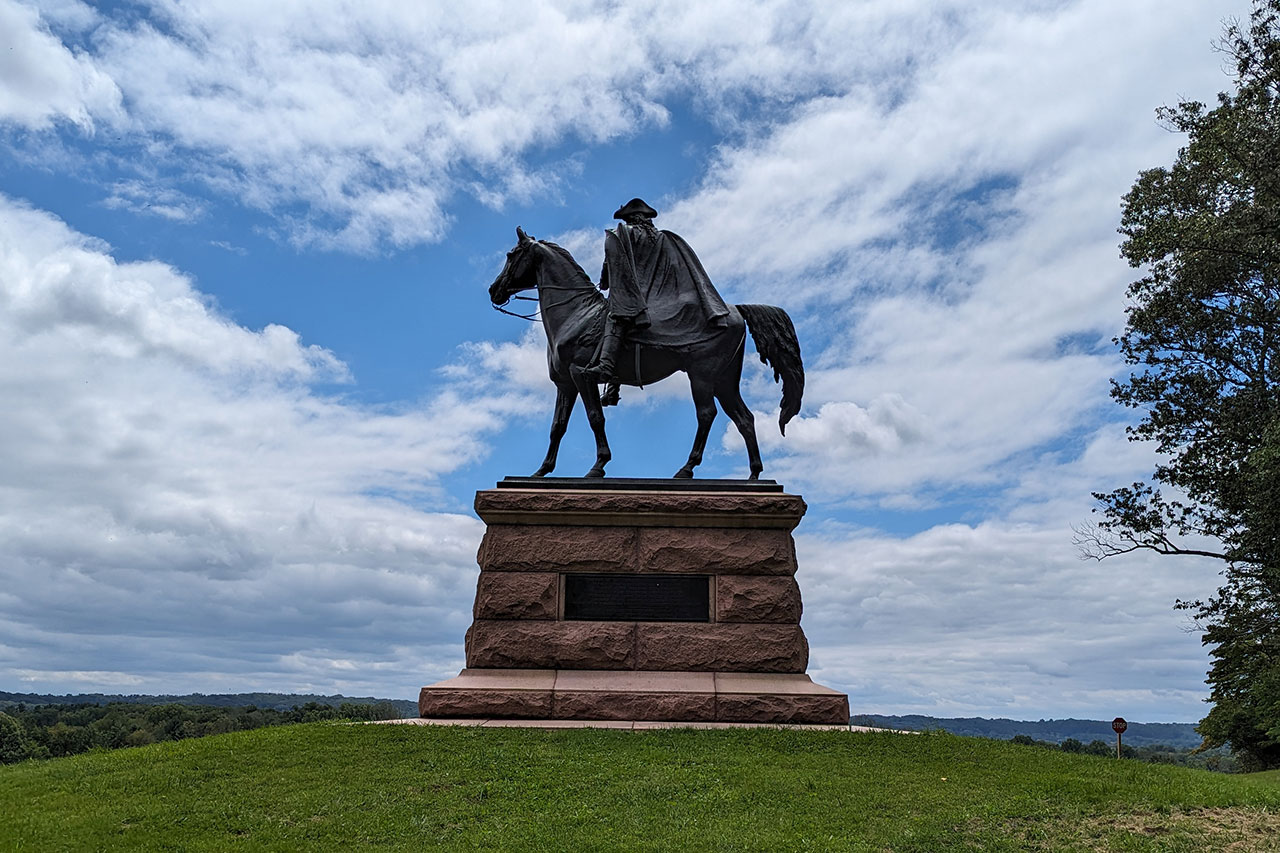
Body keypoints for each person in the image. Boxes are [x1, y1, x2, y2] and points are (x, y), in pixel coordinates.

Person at [582, 198, 730, 384]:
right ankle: (614, 388)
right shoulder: (665, 238)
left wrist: (604, 282)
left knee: (613, 317)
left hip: (637, 298)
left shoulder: (622, 234)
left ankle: (606, 366)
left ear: (629, 219)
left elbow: (612, 266)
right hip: (664, 299)